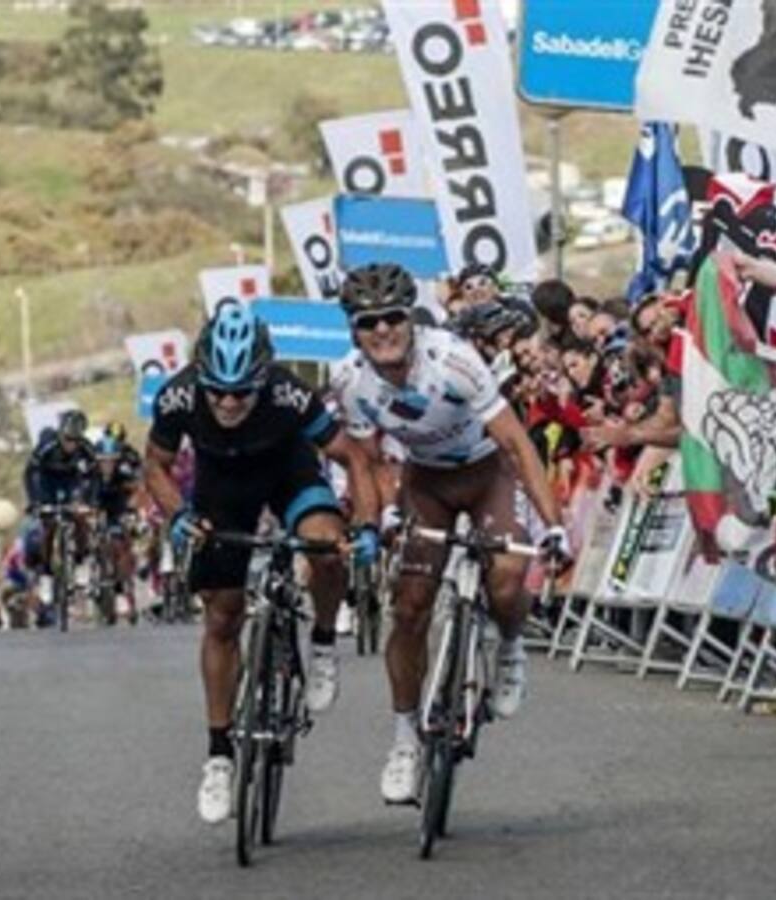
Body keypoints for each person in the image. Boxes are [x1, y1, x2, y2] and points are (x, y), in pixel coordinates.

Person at [329, 263, 569, 806]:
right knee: (409, 606)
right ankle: (404, 739)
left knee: (507, 580)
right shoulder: (348, 379)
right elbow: (369, 460)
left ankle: (509, 646)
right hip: (425, 482)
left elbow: (516, 444)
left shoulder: (455, 360)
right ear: (353, 330)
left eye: (394, 317)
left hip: (487, 474)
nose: (384, 330)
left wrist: (552, 523)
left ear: (411, 320)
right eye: (370, 323)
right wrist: (385, 512)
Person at [143, 302, 380, 826]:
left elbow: (354, 458)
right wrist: (178, 514)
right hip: (221, 488)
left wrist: (366, 526)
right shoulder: (179, 395)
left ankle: (320, 644)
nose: (228, 402)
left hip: (287, 473)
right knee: (223, 617)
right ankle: (219, 755)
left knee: (323, 545)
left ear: (262, 378)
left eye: (241, 391)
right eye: (218, 390)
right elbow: (155, 466)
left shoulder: (290, 393)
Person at [24, 409, 98, 603]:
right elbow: (29, 474)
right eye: (67, 440)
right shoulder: (47, 446)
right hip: (47, 483)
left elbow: (95, 477)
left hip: (72, 483)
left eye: (75, 441)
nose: (70, 445)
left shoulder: (86, 449)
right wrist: (34, 502)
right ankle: (46, 575)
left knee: (80, 518)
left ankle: (82, 561)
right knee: (49, 527)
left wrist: (90, 502)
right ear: (60, 435)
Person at [92, 433, 141, 624]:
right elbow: (81, 491)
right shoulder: (89, 472)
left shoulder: (125, 471)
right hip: (96, 509)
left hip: (118, 510)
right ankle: (88, 570)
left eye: (111, 461)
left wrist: (132, 508)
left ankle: (121, 590)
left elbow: (137, 490)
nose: (107, 465)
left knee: (120, 545)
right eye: (103, 461)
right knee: (89, 536)